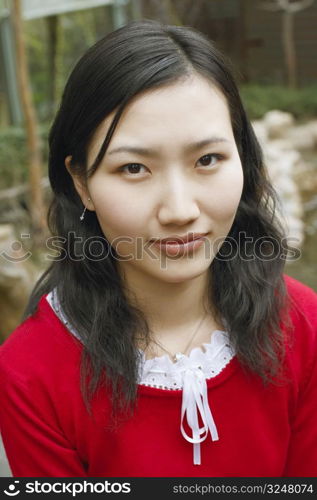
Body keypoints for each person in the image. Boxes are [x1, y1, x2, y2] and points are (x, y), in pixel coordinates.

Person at [0, 19, 316, 479]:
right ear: (81, 182)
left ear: (243, 160)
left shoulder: (303, 327)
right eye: (133, 168)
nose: (179, 209)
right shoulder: (30, 373)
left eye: (207, 160)